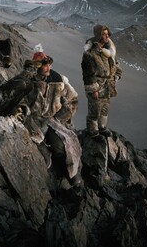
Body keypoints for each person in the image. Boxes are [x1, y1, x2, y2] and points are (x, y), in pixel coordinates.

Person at [21, 44, 82, 186]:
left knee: (61, 147)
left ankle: (69, 174)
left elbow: (73, 100)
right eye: (44, 65)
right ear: (37, 66)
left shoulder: (58, 80)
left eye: (49, 64)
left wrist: (59, 118)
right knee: (36, 150)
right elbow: (21, 101)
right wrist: (24, 112)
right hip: (34, 121)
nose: (48, 67)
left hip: (54, 121)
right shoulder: (29, 81)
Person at [81, 24, 122, 137]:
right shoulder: (90, 53)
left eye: (107, 34)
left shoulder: (109, 51)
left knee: (105, 108)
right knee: (94, 110)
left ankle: (102, 127)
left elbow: (115, 64)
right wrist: (93, 89)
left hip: (107, 86)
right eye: (103, 34)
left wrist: (117, 75)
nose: (106, 36)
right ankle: (93, 132)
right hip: (97, 86)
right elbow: (87, 73)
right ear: (98, 35)